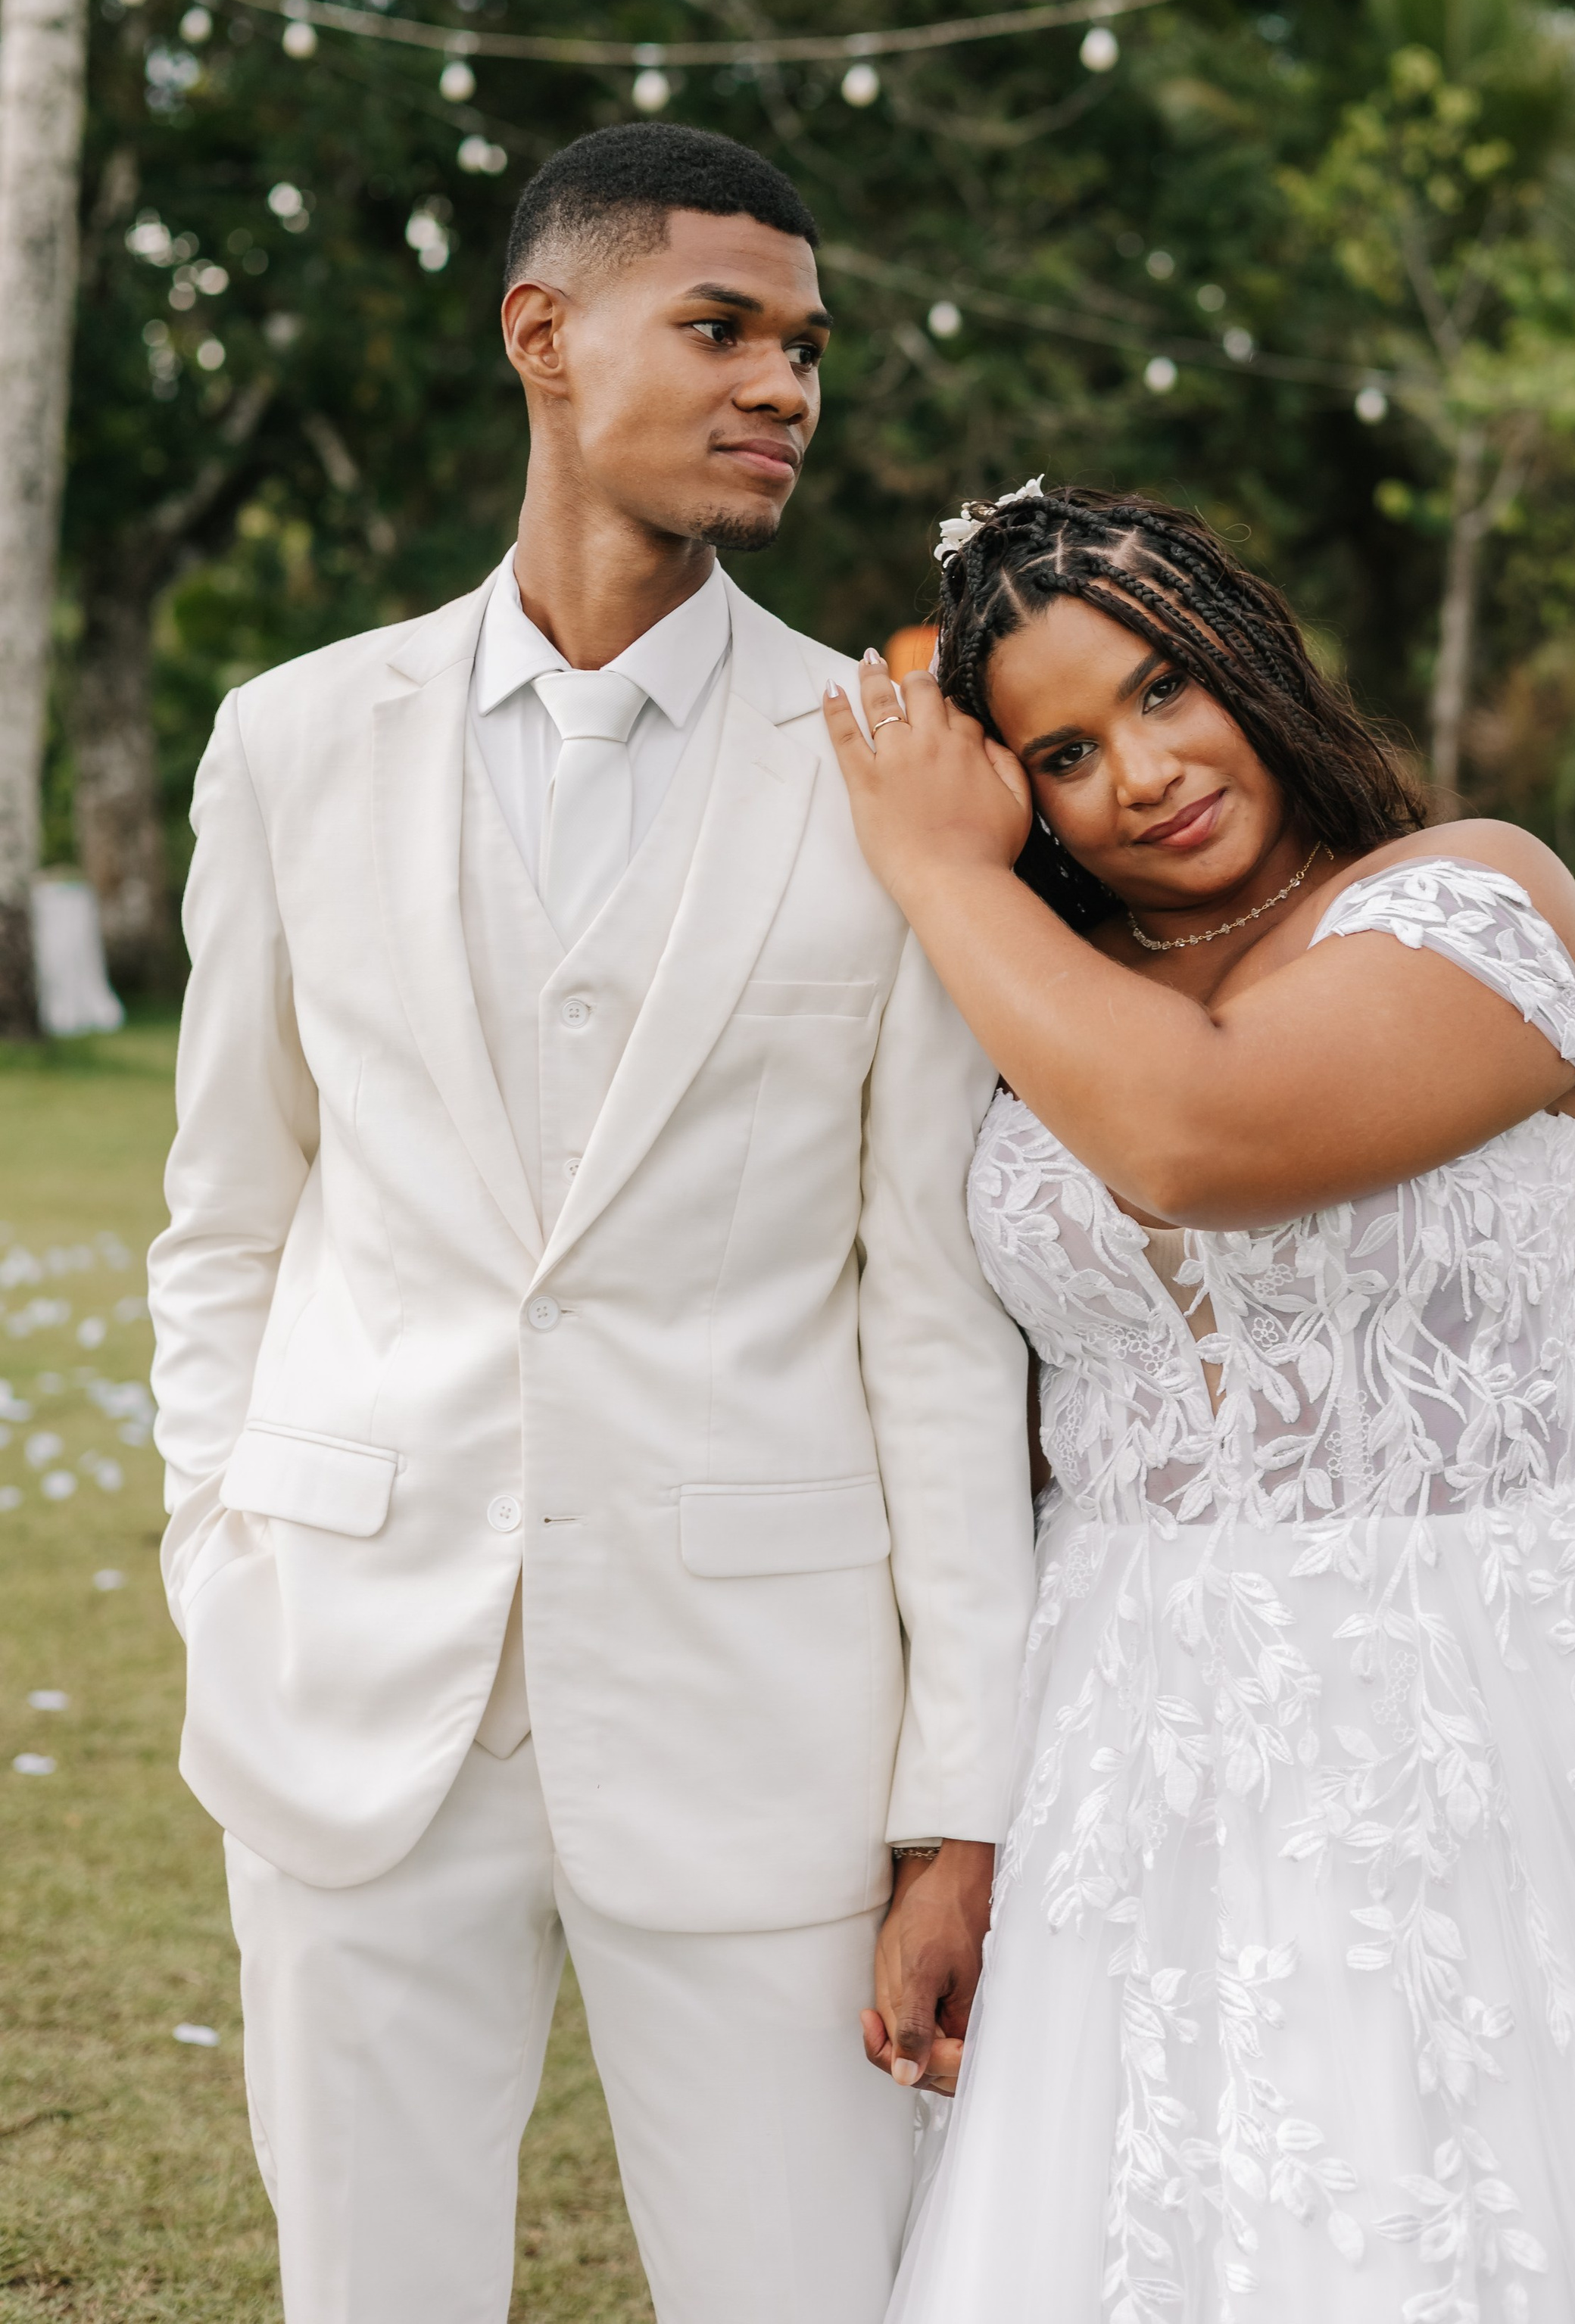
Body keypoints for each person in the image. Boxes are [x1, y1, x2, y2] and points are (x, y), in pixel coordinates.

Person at [822, 480, 1575, 2323]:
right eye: (1065, 753)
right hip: (1118, 1738)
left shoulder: (1469, 902)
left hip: (1470, 1706)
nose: (1143, 774)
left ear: (1251, 657)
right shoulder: (1043, 990)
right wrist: (956, 1829)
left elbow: (1195, 1135)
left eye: (1166, 688)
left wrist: (939, 874)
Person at [146, 124, 1034, 2324]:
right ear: (542, 334)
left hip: (762, 1728)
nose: (783, 387)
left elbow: (933, 1312)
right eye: (721, 328)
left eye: (804, 347)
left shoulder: (884, 763)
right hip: (350, 1690)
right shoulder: (291, 743)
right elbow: (228, 1214)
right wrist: (219, 1553)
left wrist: (960, 1791)